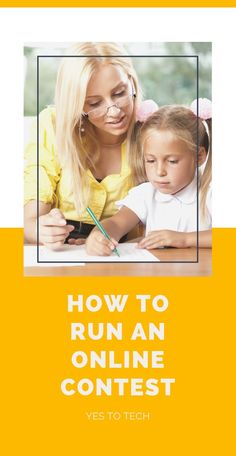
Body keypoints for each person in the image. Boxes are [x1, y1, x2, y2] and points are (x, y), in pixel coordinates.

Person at [24, 42, 142, 249]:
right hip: (65, 252)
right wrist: (41, 229)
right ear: (76, 104)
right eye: (95, 104)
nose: (114, 111)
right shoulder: (52, 125)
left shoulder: (151, 131)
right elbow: (30, 220)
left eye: (119, 93)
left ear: (131, 82)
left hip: (123, 251)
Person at [86, 100, 212, 255]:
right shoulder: (145, 194)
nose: (159, 171)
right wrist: (98, 235)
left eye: (172, 161)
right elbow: (116, 223)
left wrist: (183, 239)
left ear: (199, 156)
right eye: (150, 161)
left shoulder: (211, 192)